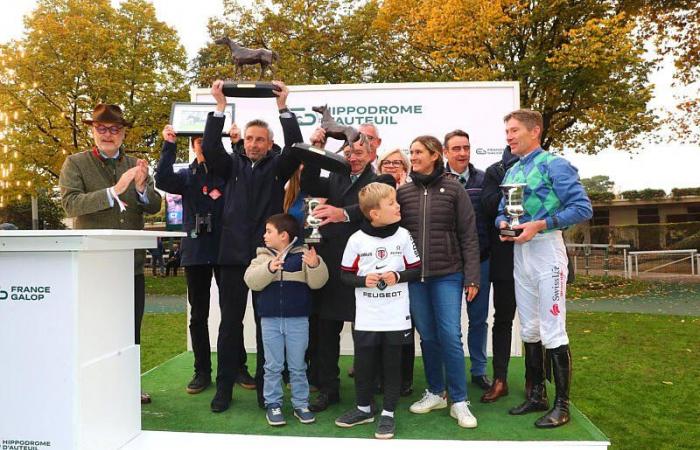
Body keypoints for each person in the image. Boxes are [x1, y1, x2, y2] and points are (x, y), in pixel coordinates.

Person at [202, 79, 303, 413]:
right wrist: (219, 106)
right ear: (243, 141)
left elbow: (296, 145)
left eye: (261, 139)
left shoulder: (277, 168)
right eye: (250, 139)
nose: (254, 144)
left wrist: (283, 106)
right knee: (230, 324)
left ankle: (266, 390)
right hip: (232, 258)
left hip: (266, 259)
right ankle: (224, 389)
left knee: (265, 326)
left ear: (269, 142)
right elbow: (212, 149)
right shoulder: (230, 165)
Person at [59, 103, 162, 405]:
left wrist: (143, 188)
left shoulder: (137, 163)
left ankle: (129, 386)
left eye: (114, 129)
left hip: (131, 266)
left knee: (131, 331)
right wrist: (114, 190)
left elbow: (154, 205)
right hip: (93, 265)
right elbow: (71, 205)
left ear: (123, 133)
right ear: (92, 131)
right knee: (93, 330)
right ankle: (94, 389)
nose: (108, 134)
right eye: (101, 128)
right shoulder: (75, 163)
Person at [496, 109, 592, 428]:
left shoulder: (555, 164)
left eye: (513, 130)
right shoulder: (511, 172)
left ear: (534, 131)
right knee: (529, 328)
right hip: (520, 252)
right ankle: (536, 394)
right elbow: (502, 210)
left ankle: (562, 404)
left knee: (553, 327)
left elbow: (582, 208)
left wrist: (541, 224)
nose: (508, 136)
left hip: (547, 250)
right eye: (506, 131)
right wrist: (502, 224)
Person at [301, 131, 390, 412]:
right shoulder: (336, 178)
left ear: (372, 154)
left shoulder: (381, 179)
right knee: (326, 334)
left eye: (359, 153)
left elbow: (374, 206)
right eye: (348, 153)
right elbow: (308, 182)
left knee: (365, 336)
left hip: (364, 269)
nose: (352, 158)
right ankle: (329, 390)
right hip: (331, 266)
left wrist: (343, 213)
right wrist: (316, 148)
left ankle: (367, 392)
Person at [397, 135, 480, 428]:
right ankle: (435, 392)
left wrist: (472, 276)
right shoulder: (403, 192)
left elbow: (469, 235)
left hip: (448, 275)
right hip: (415, 278)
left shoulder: (454, 189)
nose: (414, 156)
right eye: (412, 151)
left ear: (434, 155)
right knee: (428, 337)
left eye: (418, 151)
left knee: (450, 336)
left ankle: (459, 400)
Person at [335, 182, 421, 439]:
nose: (398, 206)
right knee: (364, 364)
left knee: (392, 364)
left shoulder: (404, 236)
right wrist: (364, 280)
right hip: (367, 316)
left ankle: (388, 414)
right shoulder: (356, 239)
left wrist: (396, 274)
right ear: (374, 213)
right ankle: (364, 408)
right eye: (392, 203)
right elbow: (344, 275)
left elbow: (416, 270)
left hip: (396, 316)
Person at [244, 213, 329, 426]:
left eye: (269, 231)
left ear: (283, 235)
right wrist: (269, 268)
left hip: (298, 321)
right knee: (272, 366)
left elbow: (319, 283)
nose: (264, 235)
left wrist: (315, 264)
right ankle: (273, 404)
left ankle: (301, 404)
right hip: (270, 321)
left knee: (298, 366)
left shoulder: (304, 255)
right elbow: (251, 281)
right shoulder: (261, 257)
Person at [443, 130, 492, 391]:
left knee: (478, 319)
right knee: (449, 323)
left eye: (466, 147)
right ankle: (451, 368)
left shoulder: (484, 180)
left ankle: (478, 369)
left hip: (481, 260)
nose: (462, 153)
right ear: (445, 152)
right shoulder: (436, 180)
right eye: (456, 148)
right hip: (448, 264)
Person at [479, 146, 519, 403]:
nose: (513, 139)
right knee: (503, 318)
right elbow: (488, 207)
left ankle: (534, 382)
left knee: (536, 322)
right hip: (505, 257)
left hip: (538, 253)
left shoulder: (545, 167)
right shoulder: (495, 171)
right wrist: (510, 185)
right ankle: (500, 379)